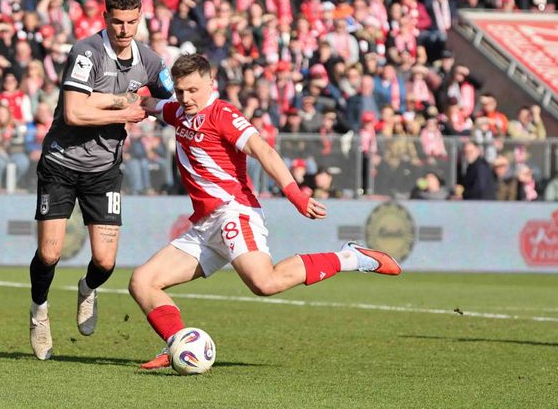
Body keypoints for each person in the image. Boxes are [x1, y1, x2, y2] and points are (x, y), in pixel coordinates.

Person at [127, 54, 401, 370]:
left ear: (210, 84)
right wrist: (116, 98)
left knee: (265, 283)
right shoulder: (178, 111)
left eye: (193, 90)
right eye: (180, 91)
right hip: (205, 225)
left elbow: (263, 150)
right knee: (142, 281)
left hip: (234, 212)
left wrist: (295, 194)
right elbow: (148, 104)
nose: (186, 98)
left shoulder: (224, 115)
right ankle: (178, 343)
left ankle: (349, 257)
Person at [28, 0, 173, 361]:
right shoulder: (86, 52)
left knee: (106, 262)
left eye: (132, 22)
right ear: (105, 18)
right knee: (49, 253)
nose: (125, 30)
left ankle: (88, 288)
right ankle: (39, 311)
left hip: (104, 169)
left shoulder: (151, 61)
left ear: (140, 19)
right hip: (61, 163)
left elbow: (169, 99)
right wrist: (125, 109)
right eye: (117, 22)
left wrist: (159, 104)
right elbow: (75, 112)